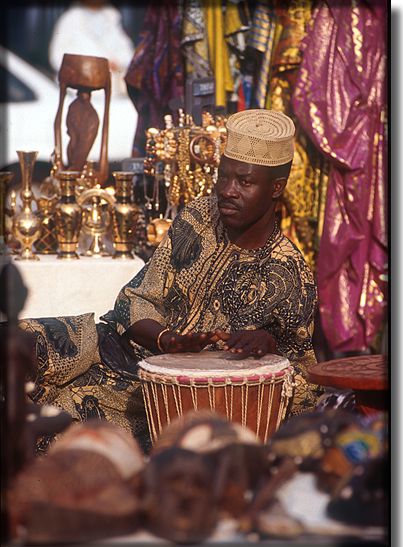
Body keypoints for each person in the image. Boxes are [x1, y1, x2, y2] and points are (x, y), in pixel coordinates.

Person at [19, 109, 322, 453]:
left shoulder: (289, 272)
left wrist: (270, 346)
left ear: (276, 188)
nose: (227, 190)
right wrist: (166, 339)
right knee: (15, 345)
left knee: (46, 431)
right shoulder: (198, 216)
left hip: (156, 397)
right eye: (223, 177)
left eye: (244, 181)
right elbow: (138, 298)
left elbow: (303, 384)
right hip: (110, 347)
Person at [48, 0, 135, 97]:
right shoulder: (70, 19)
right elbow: (56, 57)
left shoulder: (112, 17)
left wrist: (116, 62)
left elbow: (127, 53)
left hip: (111, 93)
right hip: (75, 93)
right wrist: (88, 66)